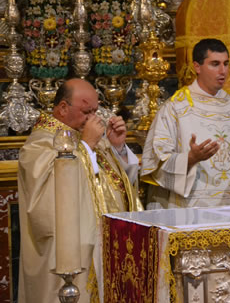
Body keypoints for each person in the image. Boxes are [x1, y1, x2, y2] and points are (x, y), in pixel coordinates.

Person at [18, 78, 143, 303]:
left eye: (96, 110)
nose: (93, 118)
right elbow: (49, 199)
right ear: (63, 108)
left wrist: (117, 148)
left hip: (107, 245)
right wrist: (85, 147)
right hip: (72, 252)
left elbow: (119, 184)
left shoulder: (87, 136)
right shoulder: (40, 143)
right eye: (87, 111)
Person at [141, 38, 230, 208]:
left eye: (226, 64)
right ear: (197, 66)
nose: (222, 71)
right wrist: (189, 159)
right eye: (215, 64)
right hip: (192, 209)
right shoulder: (176, 107)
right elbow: (156, 161)